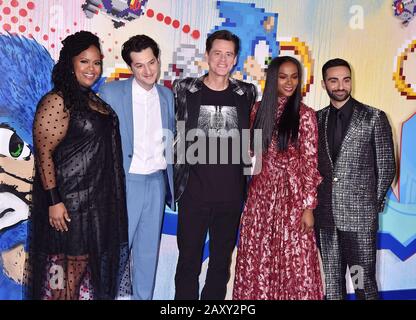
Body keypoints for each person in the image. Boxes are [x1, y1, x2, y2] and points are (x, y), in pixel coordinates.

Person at [27, 31, 131, 300]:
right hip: (68, 207)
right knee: (63, 281)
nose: (92, 69)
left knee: (75, 275)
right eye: (84, 61)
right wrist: (54, 200)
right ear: (70, 63)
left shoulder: (93, 100)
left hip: (95, 206)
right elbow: (43, 153)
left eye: (97, 62)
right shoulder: (57, 100)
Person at [173, 29, 257, 300]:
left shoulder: (246, 92)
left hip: (231, 197)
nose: (222, 59)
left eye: (229, 54)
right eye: (217, 53)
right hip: (193, 195)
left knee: (221, 265)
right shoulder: (185, 89)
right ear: (207, 55)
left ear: (235, 59)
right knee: (188, 263)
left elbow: (253, 136)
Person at [232, 56, 323, 300]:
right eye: (283, 76)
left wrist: (308, 207)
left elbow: (310, 163)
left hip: (292, 199)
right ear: (273, 79)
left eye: (294, 77)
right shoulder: (257, 110)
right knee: (259, 259)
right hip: (260, 197)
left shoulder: (306, 115)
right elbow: (249, 152)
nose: (289, 82)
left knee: (295, 262)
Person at [99, 35, 175, 300]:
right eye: (140, 65)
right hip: (125, 184)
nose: (148, 71)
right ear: (130, 67)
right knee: (115, 254)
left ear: (158, 59)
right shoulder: (110, 93)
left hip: (156, 183)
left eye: (151, 62)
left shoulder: (168, 96)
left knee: (147, 256)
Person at [315, 58, 396, 300]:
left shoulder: (373, 117)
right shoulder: (316, 120)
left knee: (362, 283)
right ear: (324, 84)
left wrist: (370, 205)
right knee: (332, 285)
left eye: (346, 79)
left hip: (359, 222)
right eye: (334, 80)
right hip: (326, 219)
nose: (341, 86)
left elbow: (386, 166)